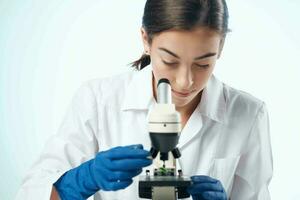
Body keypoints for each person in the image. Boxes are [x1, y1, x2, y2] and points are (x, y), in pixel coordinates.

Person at [15, 0, 273, 199]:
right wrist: (83, 179)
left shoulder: (248, 114)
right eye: (170, 61)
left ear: (221, 48)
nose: (185, 81)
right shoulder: (99, 100)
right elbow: (30, 193)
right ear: (145, 40)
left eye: (203, 64)